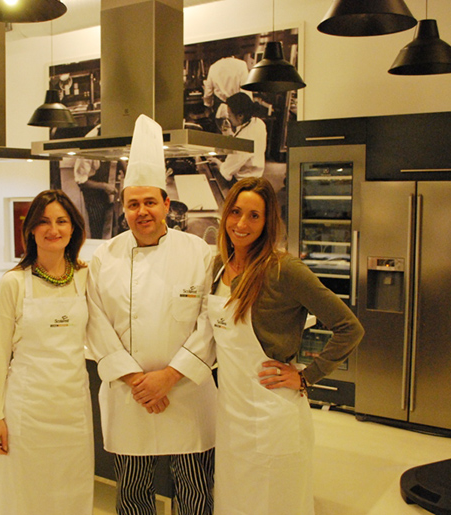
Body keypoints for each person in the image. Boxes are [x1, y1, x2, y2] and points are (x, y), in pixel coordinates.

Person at [207, 177, 364, 514]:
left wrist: (308, 376)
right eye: (235, 212)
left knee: (275, 502)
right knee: (236, 500)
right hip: (231, 413)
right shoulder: (218, 267)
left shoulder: (283, 270)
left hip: (272, 414)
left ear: (268, 223)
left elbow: (349, 328)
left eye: (254, 216)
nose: (241, 223)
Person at [87, 115, 217, 514]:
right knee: (132, 492)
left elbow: (210, 324)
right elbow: (95, 324)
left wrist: (168, 377)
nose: (142, 211)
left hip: (187, 392)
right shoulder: (102, 258)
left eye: (149, 202)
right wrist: (137, 380)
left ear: (166, 203)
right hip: (129, 396)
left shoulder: (200, 253)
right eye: (133, 204)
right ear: (122, 207)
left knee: (195, 491)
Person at [0, 190, 94, 515]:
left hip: (73, 407)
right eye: (43, 222)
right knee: (23, 489)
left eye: (61, 221)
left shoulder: (85, 277)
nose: (53, 229)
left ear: (73, 228)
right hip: (27, 408)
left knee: (70, 486)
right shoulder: (13, 283)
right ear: (30, 229)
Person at [208, 92, 267, 182]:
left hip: (243, 182)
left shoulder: (242, 142)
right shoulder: (258, 123)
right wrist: (229, 133)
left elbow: (227, 173)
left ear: (240, 116)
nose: (228, 118)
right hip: (258, 176)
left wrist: (217, 162)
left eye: (230, 115)